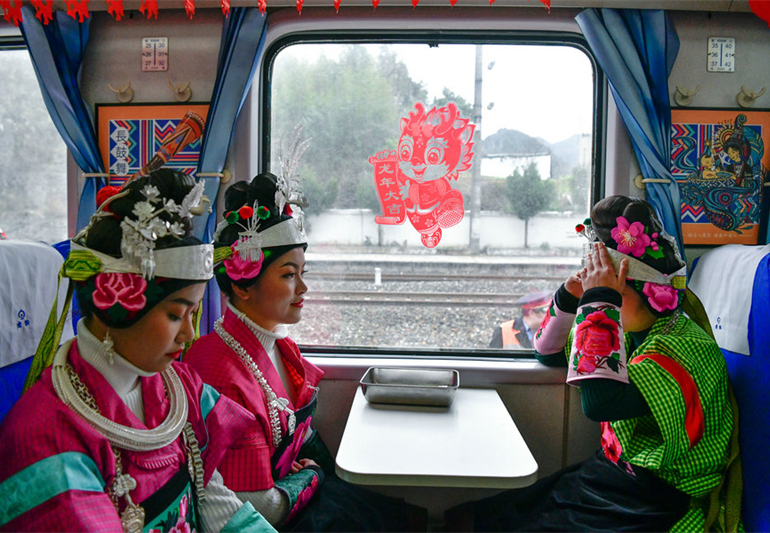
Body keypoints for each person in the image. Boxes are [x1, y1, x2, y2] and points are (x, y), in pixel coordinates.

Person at [0, 169, 276, 533]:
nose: (189, 334)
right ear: (116, 305)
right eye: (175, 314)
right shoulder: (48, 442)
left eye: (193, 313)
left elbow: (214, 502)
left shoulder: (179, 386)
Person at [445, 195, 740, 532]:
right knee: (481, 518)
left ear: (643, 289)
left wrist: (599, 300)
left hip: (658, 498)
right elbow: (547, 352)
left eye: (607, 288)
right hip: (614, 472)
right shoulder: (626, 330)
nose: (596, 295)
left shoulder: (683, 348)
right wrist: (569, 296)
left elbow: (600, 403)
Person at [184, 172, 427, 531]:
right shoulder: (218, 373)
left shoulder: (281, 348)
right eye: (288, 275)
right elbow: (260, 508)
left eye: (302, 272)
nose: (303, 287)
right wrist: (311, 477)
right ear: (242, 284)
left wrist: (318, 474)